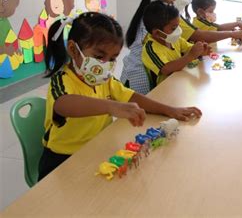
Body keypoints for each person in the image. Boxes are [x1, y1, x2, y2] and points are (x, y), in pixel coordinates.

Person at [39, 12, 202, 180]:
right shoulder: (61, 80)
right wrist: (113, 107)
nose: (105, 64)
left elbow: (131, 96)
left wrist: (169, 110)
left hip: (96, 148)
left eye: (112, 58)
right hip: (62, 161)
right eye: (99, 56)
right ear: (73, 49)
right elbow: (64, 104)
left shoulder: (105, 80)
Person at [122, 0, 242, 94]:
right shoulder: (163, 17)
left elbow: (189, 45)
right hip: (140, 74)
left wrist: (198, 50)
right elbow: (199, 36)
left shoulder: (170, 20)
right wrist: (191, 55)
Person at [142, 1, 210, 87]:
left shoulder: (175, 40)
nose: (178, 30)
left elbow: (190, 49)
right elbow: (166, 69)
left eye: (178, 26)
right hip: (165, 90)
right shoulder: (150, 49)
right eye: (173, 28)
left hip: (180, 83)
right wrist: (191, 56)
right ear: (157, 33)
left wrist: (201, 51)